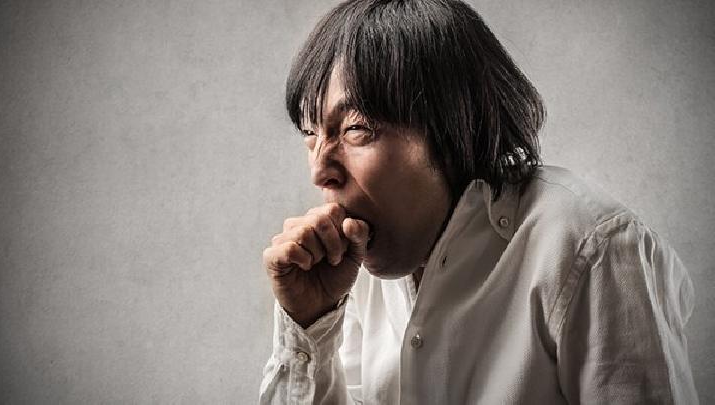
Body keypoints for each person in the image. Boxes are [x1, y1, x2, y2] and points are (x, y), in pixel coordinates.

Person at [259, 0, 698, 403]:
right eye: (311, 134)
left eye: (356, 129)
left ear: (454, 127)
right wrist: (311, 326)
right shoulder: (358, 273)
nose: (320, 171)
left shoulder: (593, 248)